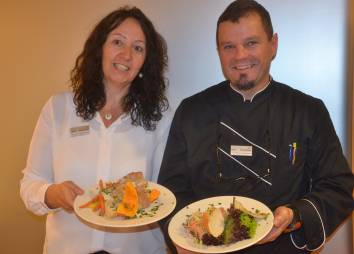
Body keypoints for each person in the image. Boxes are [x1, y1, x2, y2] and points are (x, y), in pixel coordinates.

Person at [157, 0, 354, 253]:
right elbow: (172, 191)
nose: (240, 56)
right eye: (229, 46)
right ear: (218, 51)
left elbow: (339, 187)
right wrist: (183, 239)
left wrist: (295, 216)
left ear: (273, 45)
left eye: (251, 43)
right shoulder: (191, 111)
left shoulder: (308, 111)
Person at [20, 6, 172, 254]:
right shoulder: (58, 109)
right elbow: (30, 184)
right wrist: (51, 194)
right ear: (99, 48)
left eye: (138, 48)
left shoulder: (161, 120)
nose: (126, 54)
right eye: (117, 42)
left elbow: (163, 196)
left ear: (145, 61)